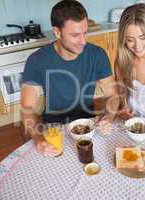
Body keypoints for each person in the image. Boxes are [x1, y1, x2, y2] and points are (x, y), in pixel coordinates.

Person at [21, 0, 119, 156]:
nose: (83, 41)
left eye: (85, 32)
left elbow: (113, 95)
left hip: (88, 126)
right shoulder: (36, 61)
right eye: (75, 35)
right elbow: (27, 108)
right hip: (54, 129)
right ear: (57, 32)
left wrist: (109, 116)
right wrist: (38, 139)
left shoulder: (97, 55)